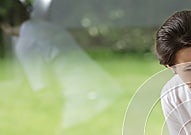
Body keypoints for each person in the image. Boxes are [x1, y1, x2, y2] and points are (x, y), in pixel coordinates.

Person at [0, 0, 123, 128]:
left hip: (85, 104)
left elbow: (44, 92)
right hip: (108, 90)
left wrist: (53, 127)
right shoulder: (49, 27)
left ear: (5, 25)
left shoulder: (25, 43)